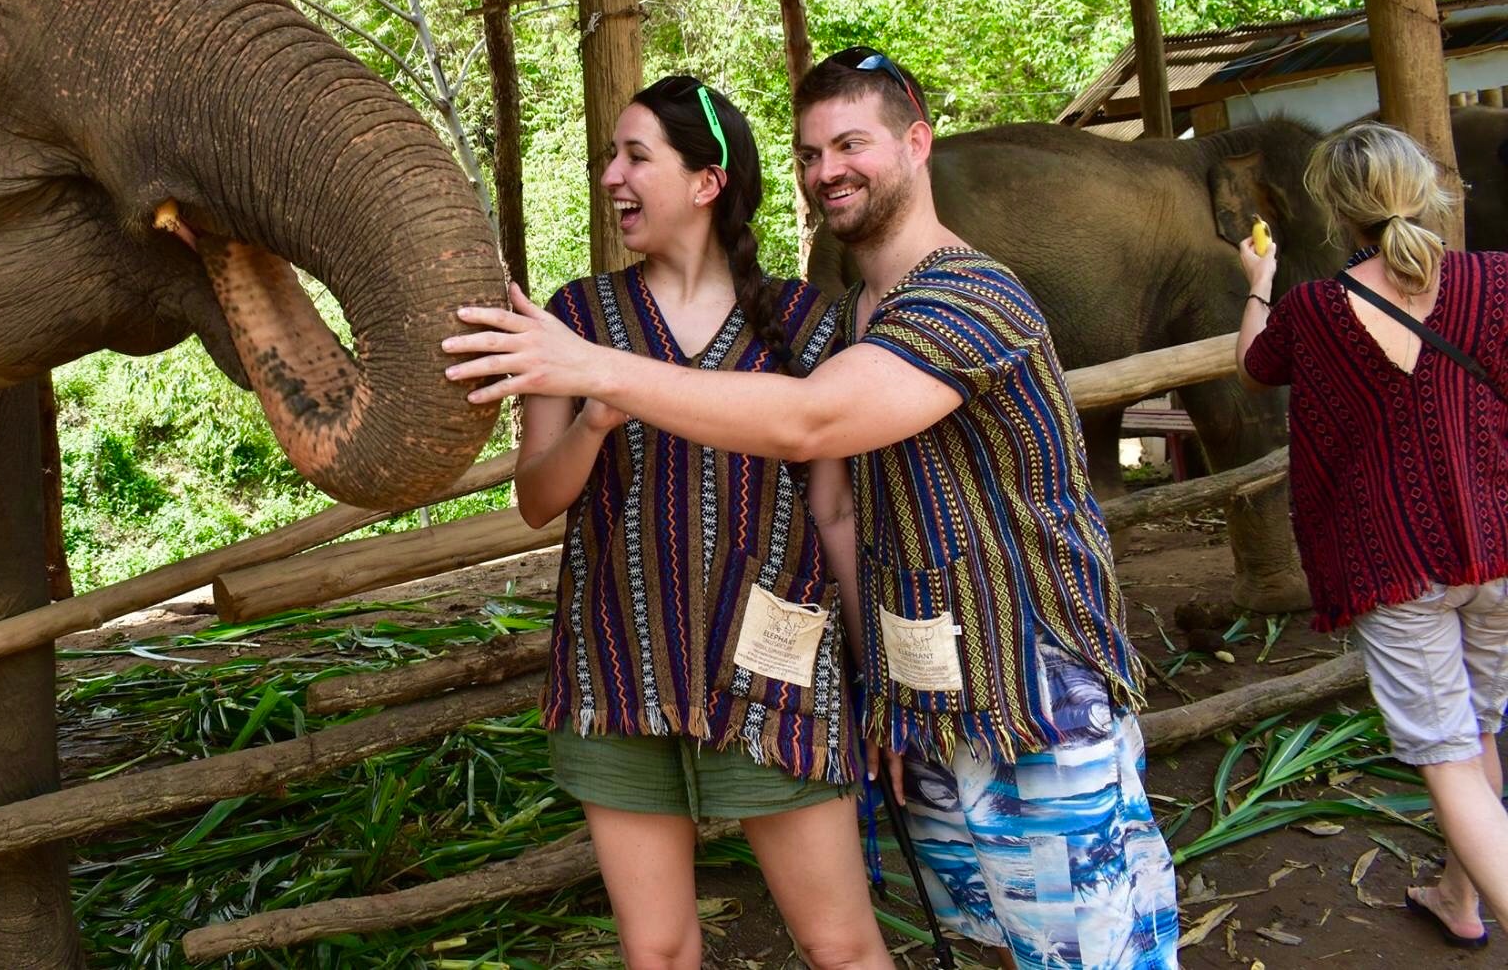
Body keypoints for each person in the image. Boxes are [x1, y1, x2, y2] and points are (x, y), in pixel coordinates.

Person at [447, 50, 1178, 970]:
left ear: (916, 142)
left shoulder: (944, 299)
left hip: (1027, 689)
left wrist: (598, 372)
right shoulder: (861, 310)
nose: (827, 168)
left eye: (850, 144)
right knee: (994, 939)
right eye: (809, 153)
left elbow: (815, 442)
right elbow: (544, 498)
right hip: (904, 695)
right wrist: (885, 694)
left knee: (1067, 950)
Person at [513, 75, 890, 970]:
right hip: (620, 670)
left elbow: (834, 507)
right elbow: (535, 497)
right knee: (658, 951)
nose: (611, 174)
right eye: (611, 156)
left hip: (779, 673)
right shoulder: (575, 320)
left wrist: (870, 671)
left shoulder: (806, 321)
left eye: (635, 156)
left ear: (706, 181)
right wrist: (595, 416)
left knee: (838, 944)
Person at [1236, 120, 1508, 950]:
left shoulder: (1314, 309)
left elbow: (1254, 364)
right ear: (1427, 190)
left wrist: (1259, 283)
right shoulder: (1497, 280)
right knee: (1480, 728)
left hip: (1396, 563)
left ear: (1336, 209)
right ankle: (1459, 898)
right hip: (1498, 546)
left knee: (1449, 756)